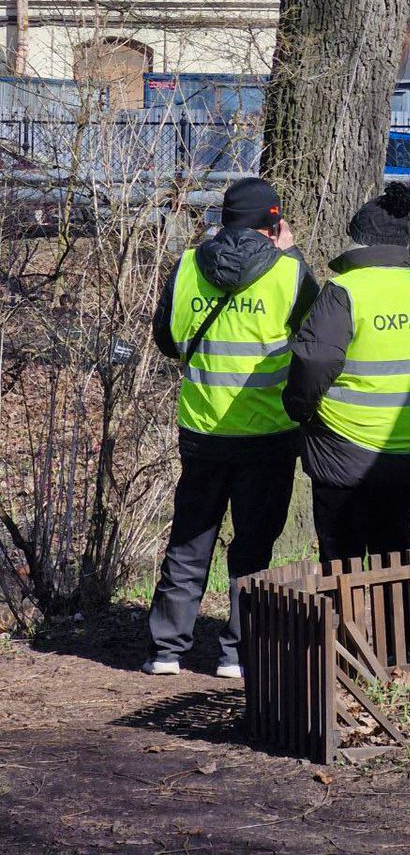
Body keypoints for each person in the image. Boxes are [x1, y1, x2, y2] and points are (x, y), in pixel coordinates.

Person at [143, 177, 318, 676]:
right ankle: (237, 654)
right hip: (268, 434)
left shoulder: (187, 267)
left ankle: (166, 650)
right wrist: (292, 253)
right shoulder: (290, 271)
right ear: (273, 224)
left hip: (202, 431)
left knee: (189, 539)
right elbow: (314, 344)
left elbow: (166, 340)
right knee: (253, 546)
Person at [282, 183, 410, 562]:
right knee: (394, 550)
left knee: (343, 558)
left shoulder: (345, 291)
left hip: (343, 449)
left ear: (356, 243)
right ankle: (396, 604)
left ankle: (346, 604)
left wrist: (299, 409)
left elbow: (315, 361)